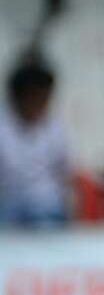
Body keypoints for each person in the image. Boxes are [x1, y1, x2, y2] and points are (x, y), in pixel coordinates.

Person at [0, 56, 68, 227]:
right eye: (36, 97)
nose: (42, 104)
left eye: (46, 98)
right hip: (9, 206)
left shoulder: (56, 129)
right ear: (19, 97)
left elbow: (67, 176)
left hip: (47, 207)